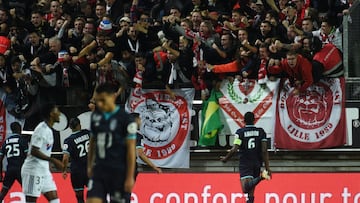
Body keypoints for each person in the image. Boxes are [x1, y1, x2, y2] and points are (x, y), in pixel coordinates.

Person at [87, 83, 137, 203]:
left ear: (113, 97)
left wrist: (130, 177)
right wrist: (89, 166)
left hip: (118, 172)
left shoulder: (127, 120)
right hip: (99, 170)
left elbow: (131, 150)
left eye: (103, 100)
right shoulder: (96, 117)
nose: (100, 104)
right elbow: (92, 142)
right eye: (97, 101)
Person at [220, 112, 271, 203]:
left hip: (245, 162)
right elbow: (264, 150)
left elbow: (234, 149)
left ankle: (262, 177)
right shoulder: (261, 132)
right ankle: (261, 178)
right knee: (250, 193)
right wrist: (267, 167)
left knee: (245, 188)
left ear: (244, 121)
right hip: (257, 162)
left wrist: (226, 159)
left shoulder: (240, 132)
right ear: (254, 120)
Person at [21, 104, 64, 203]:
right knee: (31, 201)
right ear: (51, 114)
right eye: (57, 111)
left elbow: (45, 151)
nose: (59, 114)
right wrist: (53, 160)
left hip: (44, 170)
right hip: (33, 170)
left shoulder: (49, 130)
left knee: (55, 200)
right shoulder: (41, 129)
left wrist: (49, 167)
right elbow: (34, 151)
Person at [62, 117, 90, 203]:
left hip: (77, 172)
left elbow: (65, 158)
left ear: (70, 127)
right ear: (79, 125)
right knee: (94, 194)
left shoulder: (68, 141)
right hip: (90, 169)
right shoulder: (88, 133)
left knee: (79, 197)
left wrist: (64, 170)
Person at [0, 122, 29, 201]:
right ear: (19, 129)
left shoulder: (5, 142)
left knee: (3, 191)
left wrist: (0, 173)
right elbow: (28, 156)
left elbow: (0, 159)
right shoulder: (22, 140)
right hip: (21, 169)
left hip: (9, 170)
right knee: (28, 192)